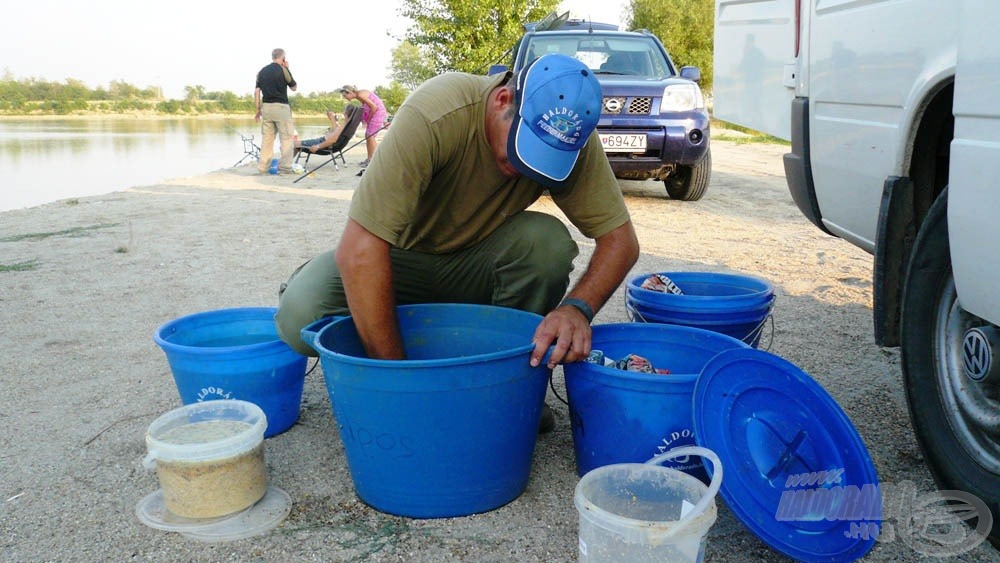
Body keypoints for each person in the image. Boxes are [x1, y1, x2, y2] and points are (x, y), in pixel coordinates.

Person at [276, 54, 640, 431]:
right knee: (300, 316)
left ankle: (512, 388)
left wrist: (577, 309)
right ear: (502, 100)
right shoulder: (437, 111)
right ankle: (393, 350)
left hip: (475, 263)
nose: (523, 169)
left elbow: (622, 242)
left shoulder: (569, 134)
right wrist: (403, 386)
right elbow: (361, 249)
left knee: (545, 243)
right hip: (399, 256)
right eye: (521, 149)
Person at [254, 48, 297, 174]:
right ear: (283, 58)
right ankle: (284, 168)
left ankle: (263, 168)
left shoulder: (261, 72)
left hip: (266, 107)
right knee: (286, 139)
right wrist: (288, 68)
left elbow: (257, 92)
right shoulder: (283, 70)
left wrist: (257, 110)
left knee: (267, 139)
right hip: (281, 107)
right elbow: (294, 87)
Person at [337, 85, 387, 167]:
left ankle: (372, 160)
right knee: (369, 136)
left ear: (349, 92)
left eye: (345, 95)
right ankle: (370, 159)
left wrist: (368, 119)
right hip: (377, 113)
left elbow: (374, 107)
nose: (345, 98)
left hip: (378, 113)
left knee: (370, 136)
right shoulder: (359, 95)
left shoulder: (360, 94)